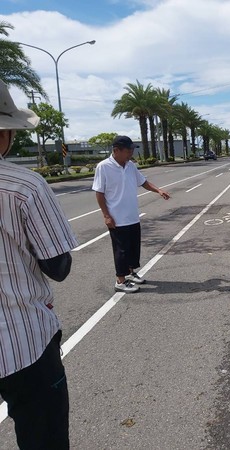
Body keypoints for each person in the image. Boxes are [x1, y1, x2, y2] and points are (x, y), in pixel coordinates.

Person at [0, 80, 78, 449]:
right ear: (6, 134)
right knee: (42, 436)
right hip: (21, 341)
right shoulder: (23, 186)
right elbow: (58, 267)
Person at [92, 135, 170, 293]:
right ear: (116, 150)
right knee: (121, 250)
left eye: (132, 150)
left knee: (133, 248)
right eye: (128, 150)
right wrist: (106, 216)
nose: (131, 153)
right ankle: (120, 281)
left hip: (132, 215)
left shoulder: (130, 166)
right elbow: (99, 193)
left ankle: (130, 273)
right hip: (116, 218)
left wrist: (158, 190)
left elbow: (143, 182)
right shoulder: (103, 167)